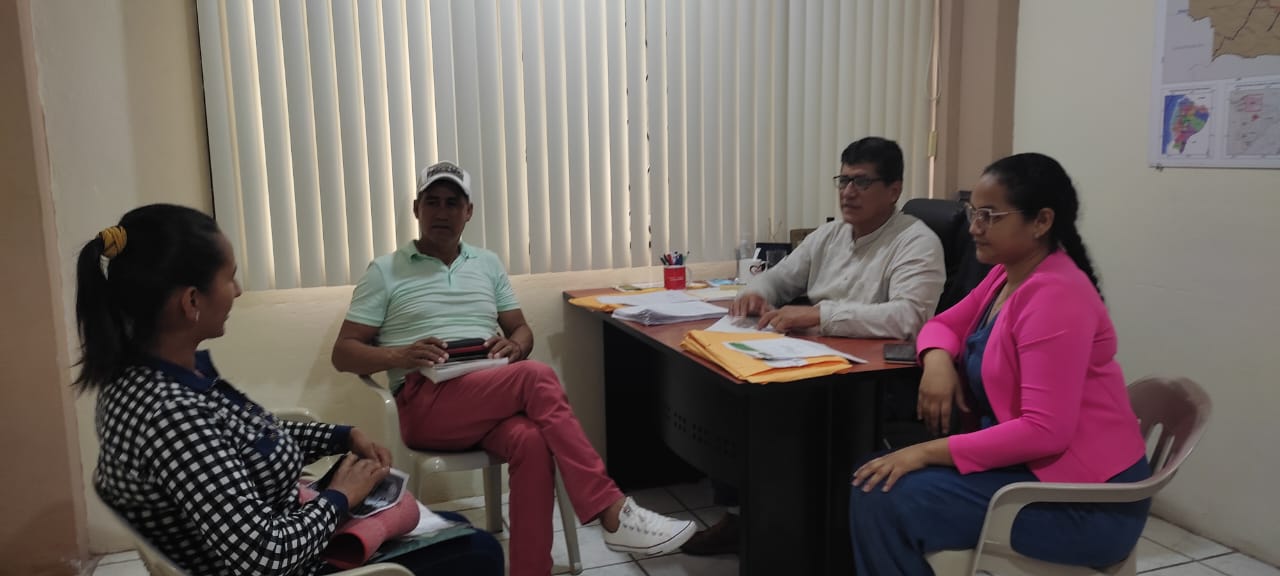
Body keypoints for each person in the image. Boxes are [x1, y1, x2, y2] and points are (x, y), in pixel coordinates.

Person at [80, 204, 504, 576]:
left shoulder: (148, 380)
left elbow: (241, 439)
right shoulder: (172, 414)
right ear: (191, 302)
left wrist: (340, 436)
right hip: (297, 560)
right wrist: (341, 497)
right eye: (230, 278)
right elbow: (265, 555)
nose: (238, 291)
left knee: (450, 526)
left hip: (288, 523)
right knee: (479, 550)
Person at [331, 161, 697, 576]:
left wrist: (516, 345)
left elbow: (521, 329)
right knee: (536, 375)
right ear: (416, 209)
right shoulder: (385, 271)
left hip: (486, 393)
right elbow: (344, 353)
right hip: (425, 402)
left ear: (468, 212)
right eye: (432, 202)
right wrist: (401, 355)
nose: (442, 212)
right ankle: (610, 509)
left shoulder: (487, 263)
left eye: (452, 203)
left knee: (532, 441)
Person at [848, 153, 1151, 574]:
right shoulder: (1006, 275)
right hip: (1033, 474)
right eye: (973, 212)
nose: (974, 227)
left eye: (989, 216)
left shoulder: (1055, 297)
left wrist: (925, 453)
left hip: (1085, 501)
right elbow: (941, 325)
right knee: (870, 475)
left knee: (880, 492)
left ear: (1041, 221)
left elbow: (1045, 431)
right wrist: (937, 362)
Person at [684, 137, 946, 556]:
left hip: (870, 378)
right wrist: (755, 292)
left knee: (762, 412)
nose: (848, 192)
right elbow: (780, 277)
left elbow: (909, 318)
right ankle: (740, 515)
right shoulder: (830, 235)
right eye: (843, 180)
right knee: (728, 391)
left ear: (894, 189)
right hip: (812, 356)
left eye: (862, 182)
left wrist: (818, 315)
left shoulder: (916, 242)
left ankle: (788, 531)